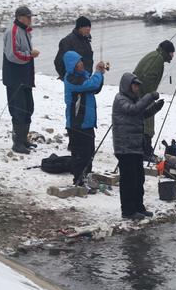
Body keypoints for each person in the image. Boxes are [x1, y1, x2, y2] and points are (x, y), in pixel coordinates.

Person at [112, 72, 165, 220]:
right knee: (128, 180)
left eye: (137, 86)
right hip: (124, 147)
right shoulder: (120, 99)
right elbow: (133, 110)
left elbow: (140, 114)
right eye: (135, 85)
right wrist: (149, 97)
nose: (137, 88)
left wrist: (155, 108)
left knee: (138, 179)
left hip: (135, 146)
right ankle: (128, 211)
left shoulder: (133, 100)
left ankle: (138, 207)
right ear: (127, 85)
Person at [62, 50, 106, 186]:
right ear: (71, 65)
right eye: (78, 62)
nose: (81, 64)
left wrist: (100, 74)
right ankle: (79, 179)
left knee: (89, 152)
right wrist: (98, 72)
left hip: (86, 123)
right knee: (81, 154)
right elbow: (90, 84)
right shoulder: (71, 79)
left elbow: (95, 88)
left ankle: (86, 176)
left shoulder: (83, 76)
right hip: (77, 124)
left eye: (81, 61)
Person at [2, 6, 40, 154]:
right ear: (20, 17)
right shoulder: (13, 31)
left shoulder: (25, 31)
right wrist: (30, 55)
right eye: (28, 17)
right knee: (18, 110)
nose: (31, 20)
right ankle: (17, 143)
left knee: (28, 108)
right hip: (15, 78)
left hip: (25, 77)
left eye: (31, 17)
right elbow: (12, 55)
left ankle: (24, 139)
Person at [132, 40, 175, 161]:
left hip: (140, 94)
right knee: (147, 124)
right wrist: (151, 95)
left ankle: (146, 150)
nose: (173, 56)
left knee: (144, 122)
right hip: (143, 95)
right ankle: (145, 151)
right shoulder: (158, 60)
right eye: (172, 53)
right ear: (168, 52)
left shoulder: (155, 56)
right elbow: (147, 78)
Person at [54, 16, 94, 80]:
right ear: (79, 28)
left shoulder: (86, 40)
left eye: (89, 27)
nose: (88, 29)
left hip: (86, 77)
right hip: (74, 80)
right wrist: (68, 78)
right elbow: (58, 62)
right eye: (86, 27)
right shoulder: (67, 41)